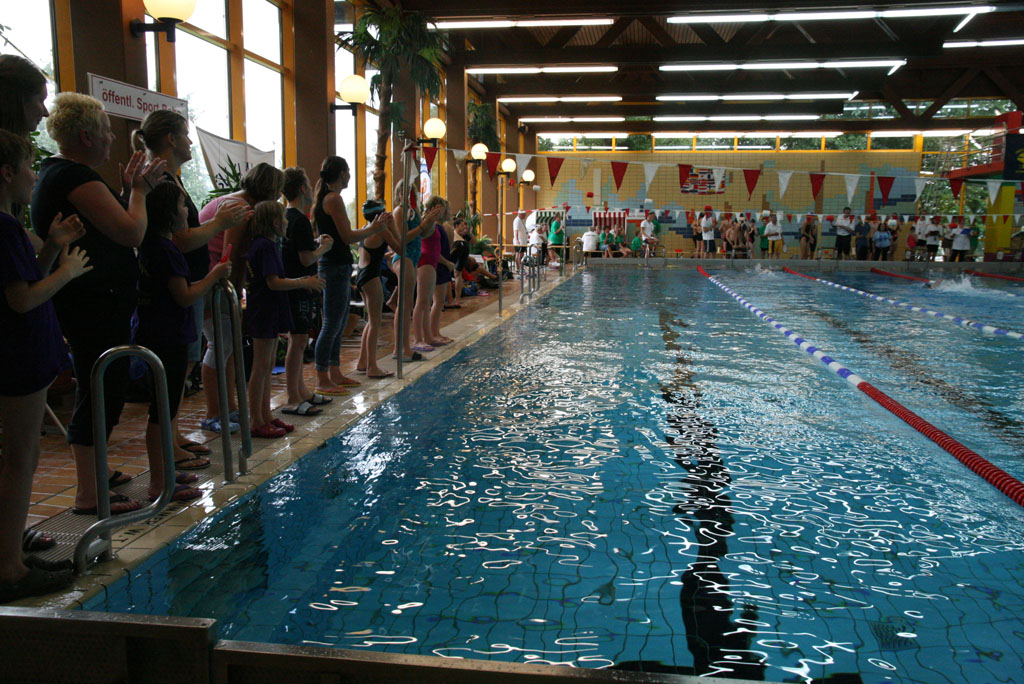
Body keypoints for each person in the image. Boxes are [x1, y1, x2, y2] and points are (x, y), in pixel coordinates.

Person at [31, 92, 166, 516]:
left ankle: (96, 473)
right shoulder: (73, 176)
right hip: (92, 304)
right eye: (107, 131)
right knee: (101, 389)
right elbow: (130, 232)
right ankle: (88, 494)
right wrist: (140, 192)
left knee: (102, 385)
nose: (112, 139)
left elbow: (107, 226)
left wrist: (126, 190)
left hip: (94, 302)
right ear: (86, 136)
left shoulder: (64, 174)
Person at [131, 109, 250, 462]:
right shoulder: (159, 181)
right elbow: (176, 238)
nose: (189, 142)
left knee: (179, 370)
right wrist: (220, 223)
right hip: (173, 295)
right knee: (170, 373)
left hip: (183, 285)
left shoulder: (166, 177)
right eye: (185, 135)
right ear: (171, 139)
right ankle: (164, 448)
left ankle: (171, 435)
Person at [0, 129, 88, 601]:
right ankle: (10, 568)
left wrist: (52, 247)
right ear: (6, 173)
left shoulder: (9, 227)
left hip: (20, 354)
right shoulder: (4, 227)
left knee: (22, 456)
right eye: (28, 167)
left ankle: (10, 552)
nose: (35, 176)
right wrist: (66, 272)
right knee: (21, 458)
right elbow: (21, 299)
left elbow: (23, 275)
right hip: (19, 357)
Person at [136, 181, 232, 503]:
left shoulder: (150, 247)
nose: (187, 212)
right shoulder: (167, 252)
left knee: (163, 410)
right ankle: (159, 483)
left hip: (156, 335)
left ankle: (164, 471)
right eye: (181, 206)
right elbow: (184, 295)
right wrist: (215, 275)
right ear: (167, 214)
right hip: (168, 339)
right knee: (162, 413)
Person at [198, 162, 283, 433]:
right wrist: (233, 296)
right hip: (212, 282)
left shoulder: (238, 202)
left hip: (213, 279)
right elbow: (230, 255)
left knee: (229, 347)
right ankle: (214, 412)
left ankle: (229, 408)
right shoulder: (240, 208)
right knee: (218, 346)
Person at [244, 201, 324, 438]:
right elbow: (273, 282)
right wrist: (303, 282)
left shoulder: (265, 245)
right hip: (263, 310)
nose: (288, 223)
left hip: (266, 309)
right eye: (284, 219)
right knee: (261, 366)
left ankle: (265, 415)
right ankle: (255, 419)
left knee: (267, 364)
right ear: (276, 223)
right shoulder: (265, 247)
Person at [312, 155, 387, 395]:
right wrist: (373, 228)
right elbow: (347, 236)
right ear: (343, 173)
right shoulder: (333, 199)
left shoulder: (329, 197)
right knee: (331, 324)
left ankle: (334, 372)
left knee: (339, 322)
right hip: (333, 266)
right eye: (349, 172)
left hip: (337, 265)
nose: (350, 177)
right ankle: (322, 377)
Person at [280, 166, 333, 417]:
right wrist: (324, 249)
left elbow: (294, 252)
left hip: (293, 285)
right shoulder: (300, 220)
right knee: (298, 340)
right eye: (309, 185)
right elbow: (304, 259)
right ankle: (293, 397)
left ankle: (301, 391)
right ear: (302, 188)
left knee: (298, 340)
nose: (312, 189)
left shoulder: (287, 216)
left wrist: (314, 244)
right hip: (299, 286)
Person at [354, 199, 399, 379]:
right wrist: (393, 226)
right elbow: (400, 247)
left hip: (362, 276)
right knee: (375, 322)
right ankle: (372, 367)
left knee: (371, 321)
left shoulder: (367, 228)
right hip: (371, 277)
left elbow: (374, 250)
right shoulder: (381, 230)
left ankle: (362, 361)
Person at [412, 196, 452, 352]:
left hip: (431, 263)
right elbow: (421, 235)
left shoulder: (433, 223)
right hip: (425, 263)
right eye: (439, 207)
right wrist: (429, 217)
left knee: (426, 303)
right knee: (422, 302)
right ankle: (418, 339)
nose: (442, 211)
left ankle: (428, 336)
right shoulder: (427, 222)